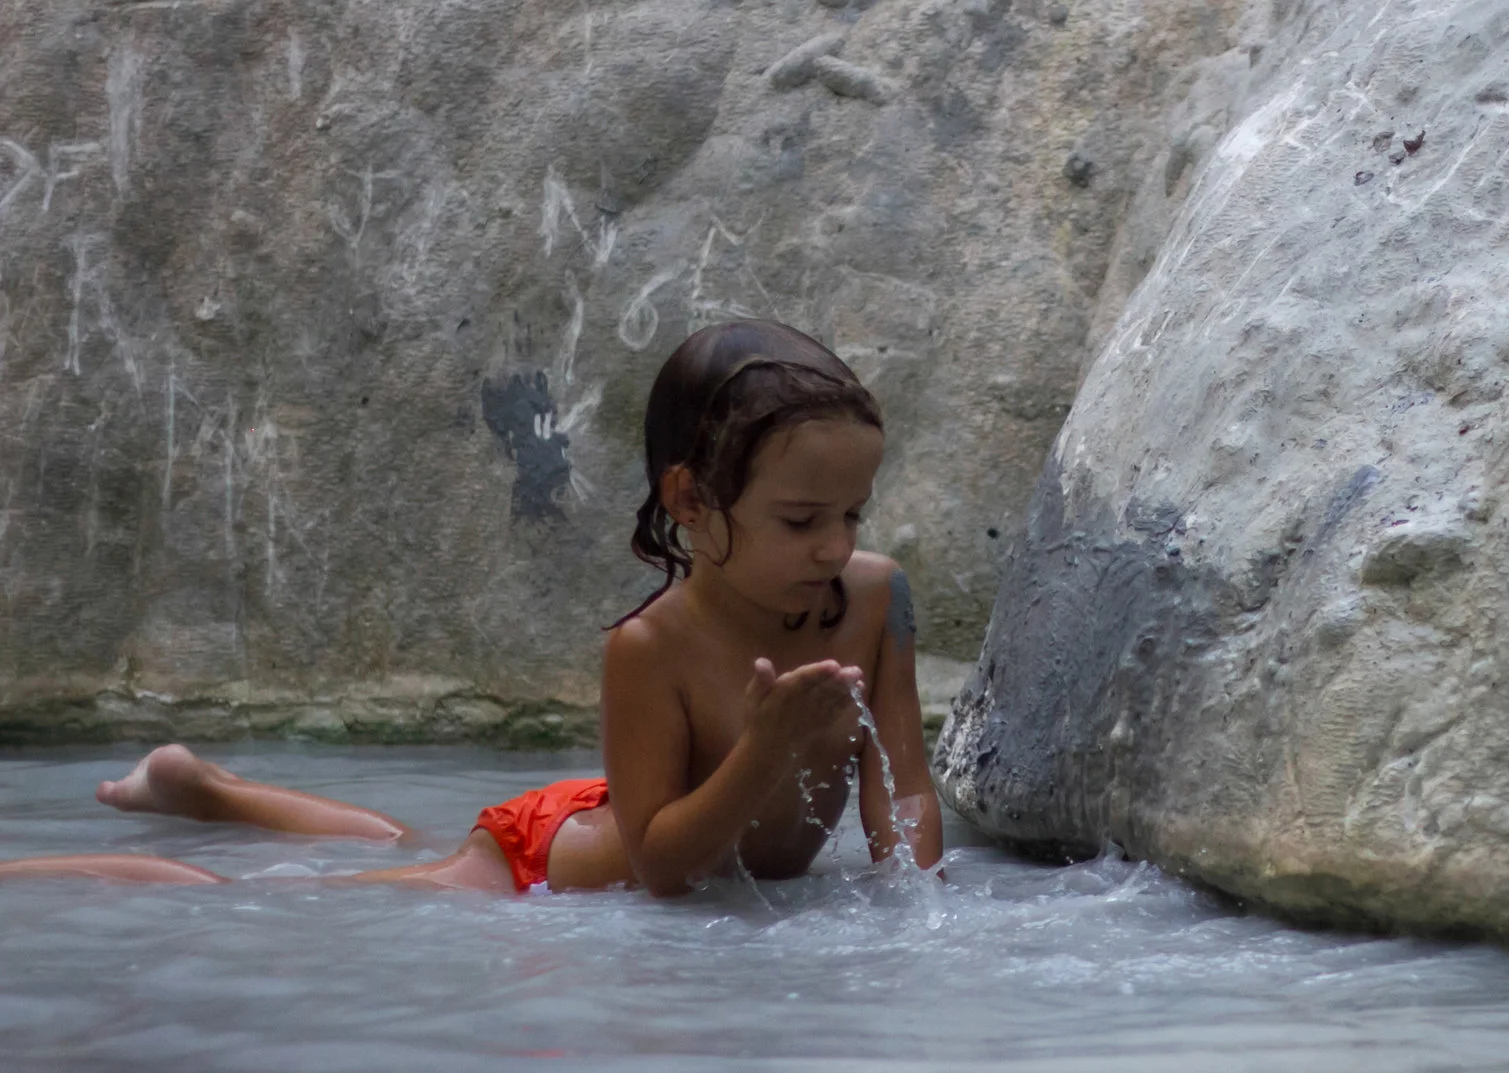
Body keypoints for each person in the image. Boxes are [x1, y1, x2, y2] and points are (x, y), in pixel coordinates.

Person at [0, 320, 941, 895]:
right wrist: (763, 751)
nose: (834, 545)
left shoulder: (875, 597)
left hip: (610, 805)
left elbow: (903, 789)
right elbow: (660, 868)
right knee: (292, 892)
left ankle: (204, 788)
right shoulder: (652, 645)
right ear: (690, 500)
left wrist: (920, 907)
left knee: (394, 836)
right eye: (801, 519)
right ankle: (59, 861)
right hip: (544, 860)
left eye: (852, 513)